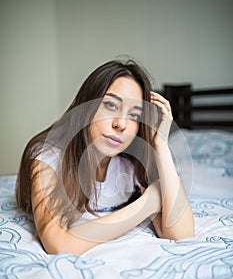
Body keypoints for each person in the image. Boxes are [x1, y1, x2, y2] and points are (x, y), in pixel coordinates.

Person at [16, 59, 194, 256]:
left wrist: (161, 146)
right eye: (110, 105)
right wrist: (148, 203)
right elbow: (58, 245)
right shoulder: (47, 157)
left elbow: (181, 234)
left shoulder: (132, 163)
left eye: (134, 115)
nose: (121, 124)